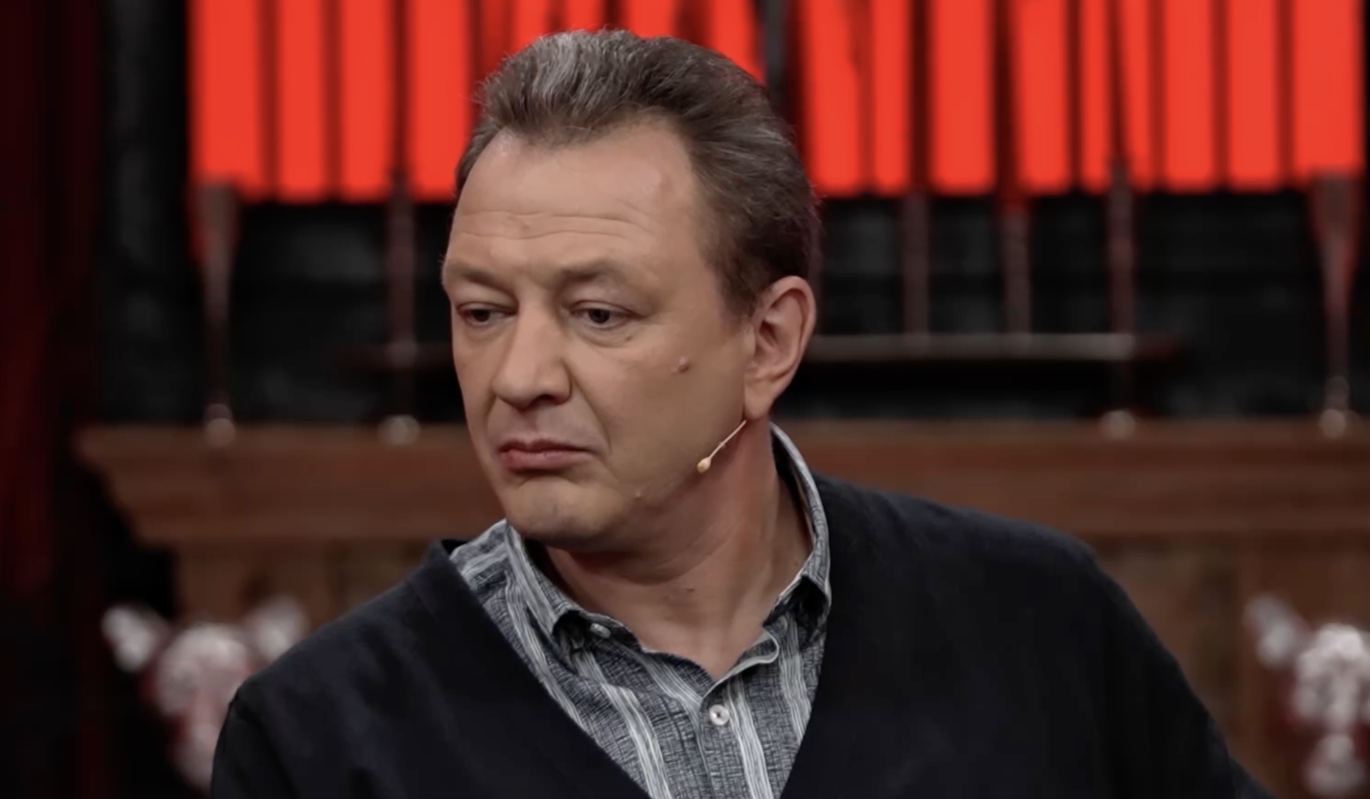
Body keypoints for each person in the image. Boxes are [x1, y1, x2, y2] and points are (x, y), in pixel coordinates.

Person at [212, 29, 1272, 799]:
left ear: (768, 341)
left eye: (597, 313)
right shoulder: (314, 738)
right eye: (482, 312)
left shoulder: (1040, 624)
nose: (518, 375)